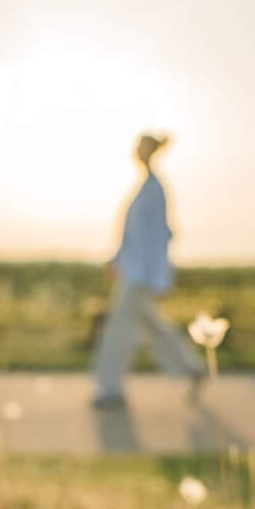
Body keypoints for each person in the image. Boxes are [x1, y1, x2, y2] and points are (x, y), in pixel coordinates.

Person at [90, 132, 205, 409]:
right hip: (132, 272)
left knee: (120, 330)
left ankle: (109, 388)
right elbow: (131, 234)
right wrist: (117, 259)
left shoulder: (155, 190)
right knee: (154, 326)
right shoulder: (144, 188)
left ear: (149, 151)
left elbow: (160, 237)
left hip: (141, 277)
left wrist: (159, 279)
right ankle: (192, 368)